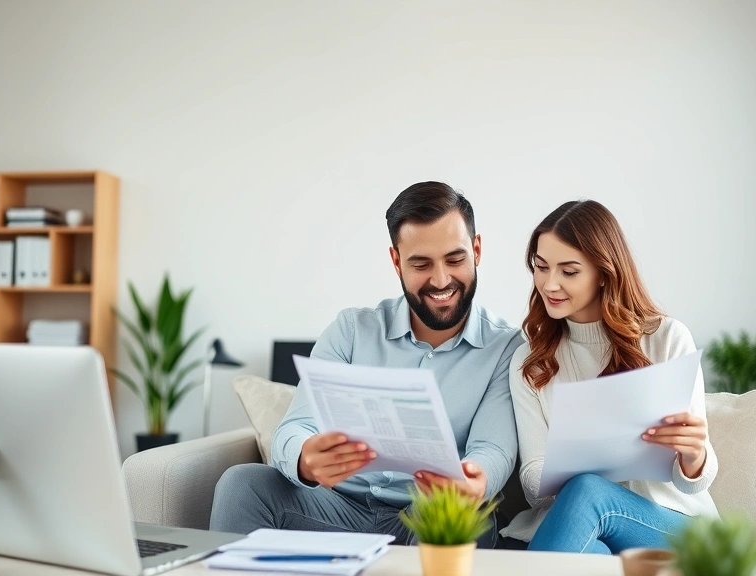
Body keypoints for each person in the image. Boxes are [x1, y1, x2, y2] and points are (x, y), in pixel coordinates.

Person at [209, 181, 524, 548]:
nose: (441, 280)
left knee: (471, 521)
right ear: (396, 262)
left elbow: (493, 448)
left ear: (476, 250)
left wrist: (476, 479)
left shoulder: (506, 348)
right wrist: (305, 459)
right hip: (334, 507)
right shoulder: (352, 331)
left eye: (454, 260)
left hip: (428, 514)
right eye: (421, 264)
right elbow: (295, 427)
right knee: (242, 484)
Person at [498, 199, 720, 554]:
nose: (549, 284)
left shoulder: (666, 339)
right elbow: (532, 481)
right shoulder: (531, 359)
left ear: (604, 272)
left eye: (569, 272)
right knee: (590, 547)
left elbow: (696, 483)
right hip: (581, 522)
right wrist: (579, 458)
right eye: (541, 267)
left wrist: (694, 457)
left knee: (588, 490)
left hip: (673, 525)